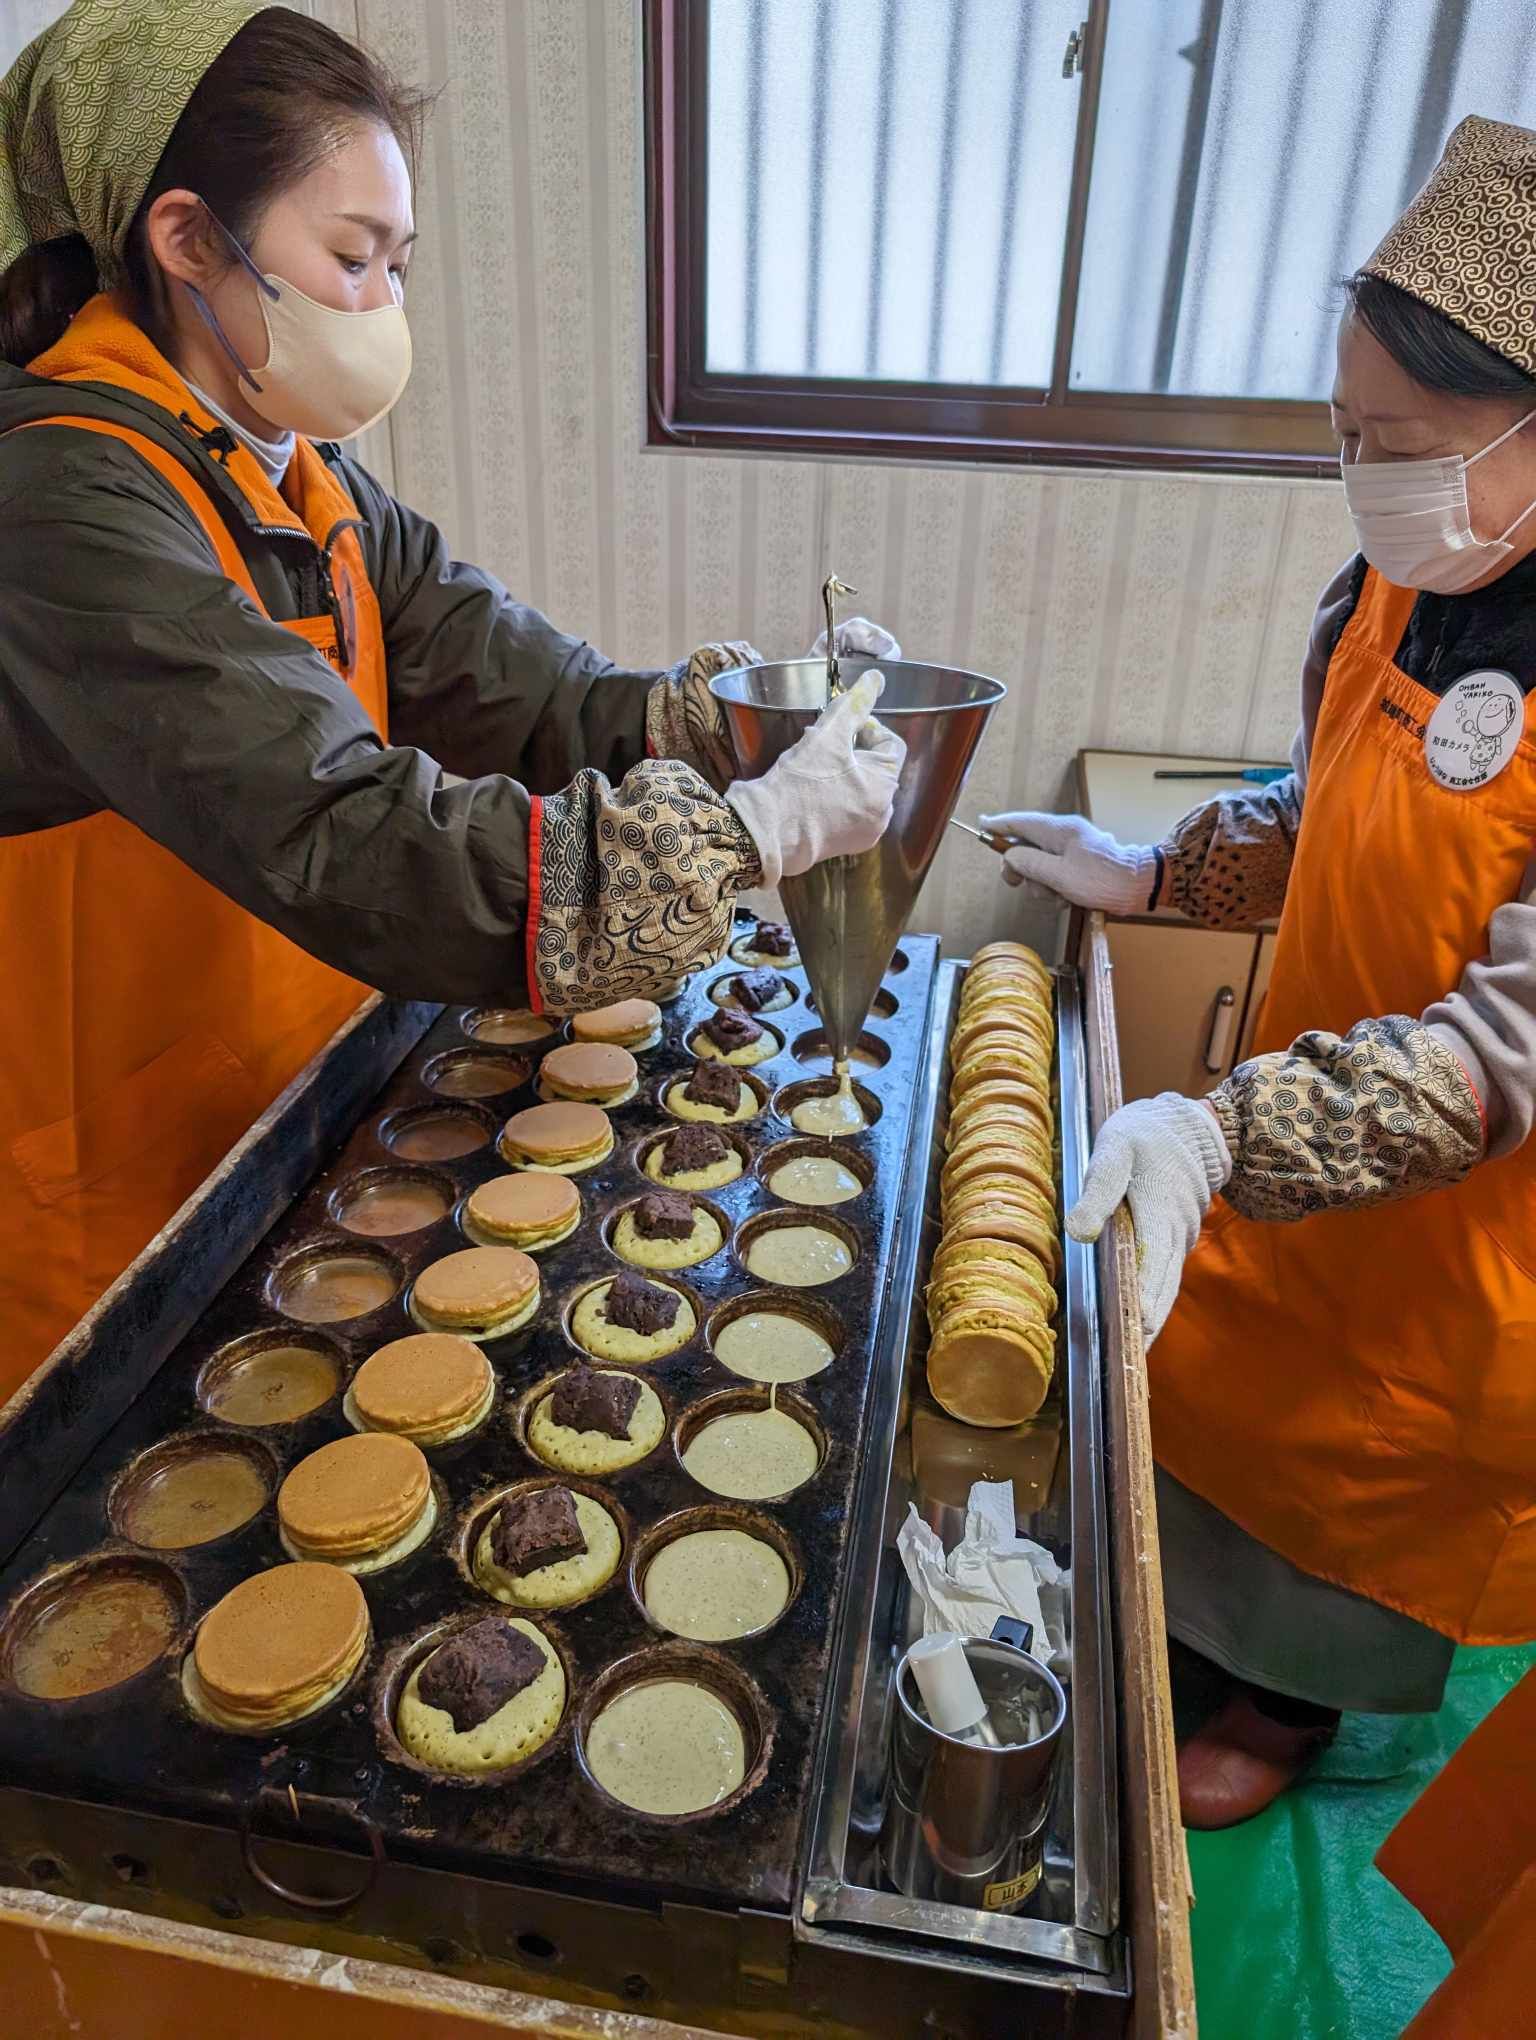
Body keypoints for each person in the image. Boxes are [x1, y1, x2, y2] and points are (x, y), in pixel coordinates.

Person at [0, 0, 903, 1385]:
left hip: (307, 1102)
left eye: (399, 265)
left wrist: (759, 724)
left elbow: (535, 699)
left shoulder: (297, 472)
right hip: (124, 1179)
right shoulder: (65, 500)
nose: (384, 308)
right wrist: (745, 838)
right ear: (187, 240)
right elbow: (347, 830)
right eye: (353, 259)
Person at [983, 115, 1536, 1828]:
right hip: (1303, 1106)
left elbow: (1501, 1051)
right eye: (1351, 430)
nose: (1369, 474)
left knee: (1367, 1462)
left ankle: (1287, 1708)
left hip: (1466, 1202)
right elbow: (1332, 803)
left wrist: (1223, 1134)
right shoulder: (1394, 586)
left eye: (1408, 440)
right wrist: (1163, 871)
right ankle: (1198, 1644)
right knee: (1229, 1391)